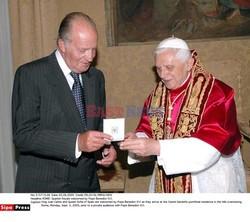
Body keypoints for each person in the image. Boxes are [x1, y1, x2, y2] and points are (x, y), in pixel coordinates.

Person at [120, 36, 247, 193]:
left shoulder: (216, 94)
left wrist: (157, 147)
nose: (163, 75)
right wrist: (137, 141)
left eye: (169, 67)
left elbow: (209, 148)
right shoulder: (156, 97)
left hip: (207, 181)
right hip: (165, 179)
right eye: (158, 68)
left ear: (188, 64)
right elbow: (147, 127)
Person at [12, 12, 117, 193]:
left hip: (87, 188)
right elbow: (23, 135)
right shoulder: (31, 74)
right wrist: (76, 142)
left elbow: (97, 124)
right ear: (62, 45)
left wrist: (106, 149)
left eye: (94, 49)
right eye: (83, 50)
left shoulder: (96, 78)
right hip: (44, 189)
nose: (91, 57)